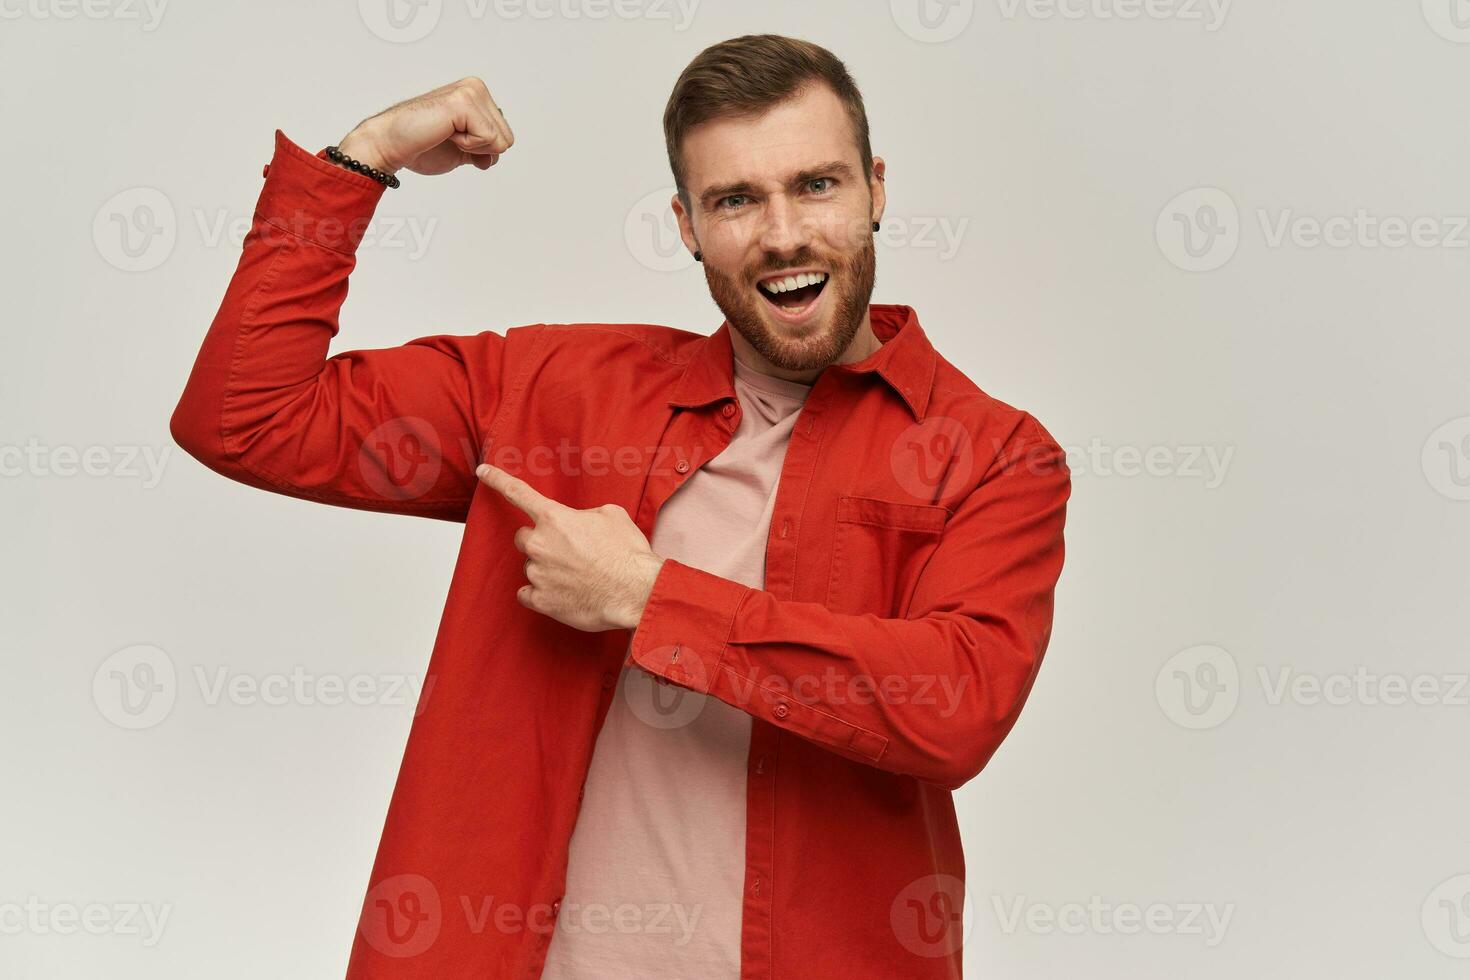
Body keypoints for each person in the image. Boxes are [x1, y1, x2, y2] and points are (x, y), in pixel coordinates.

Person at [170, 32, 1071, 980]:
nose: (783, 234)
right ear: (686, 225)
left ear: (875, 190)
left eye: (817, 185)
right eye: (735, 199)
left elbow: (957, 703)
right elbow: (247, 418)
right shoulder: (556, 392)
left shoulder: (996, 455)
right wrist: (365, 156)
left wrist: (649, 597)